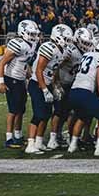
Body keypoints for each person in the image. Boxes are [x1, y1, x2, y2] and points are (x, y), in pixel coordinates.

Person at [26, 24, 73, 154]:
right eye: (66, 39)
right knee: (38, 114)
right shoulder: (48, 47)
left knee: (46, 115)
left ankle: (39, 142)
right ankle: (30, 144)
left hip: (47, 83)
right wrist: (44, 90)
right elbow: (39, 70)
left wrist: (55, 85)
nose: (68, 42)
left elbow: (54, 69)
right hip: (37, 83)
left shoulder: (63, 51)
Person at [67, 37, 99, 157]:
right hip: (85, 91)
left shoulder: (87, 54)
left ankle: (72, 145)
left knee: (82, 117)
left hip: (74, 91)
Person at [0, 20, 40, 148]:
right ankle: (9, 138)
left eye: (34, 34)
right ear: (23, 32)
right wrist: (1, 83)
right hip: (11, 79)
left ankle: (18, 136)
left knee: (21, 109)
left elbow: (24, 63)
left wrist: (30, 76)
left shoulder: (31, 44)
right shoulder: (17, 44)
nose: (34, 36)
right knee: (13, 110)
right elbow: (1, 63)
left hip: (20, 79)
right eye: (31, 34)